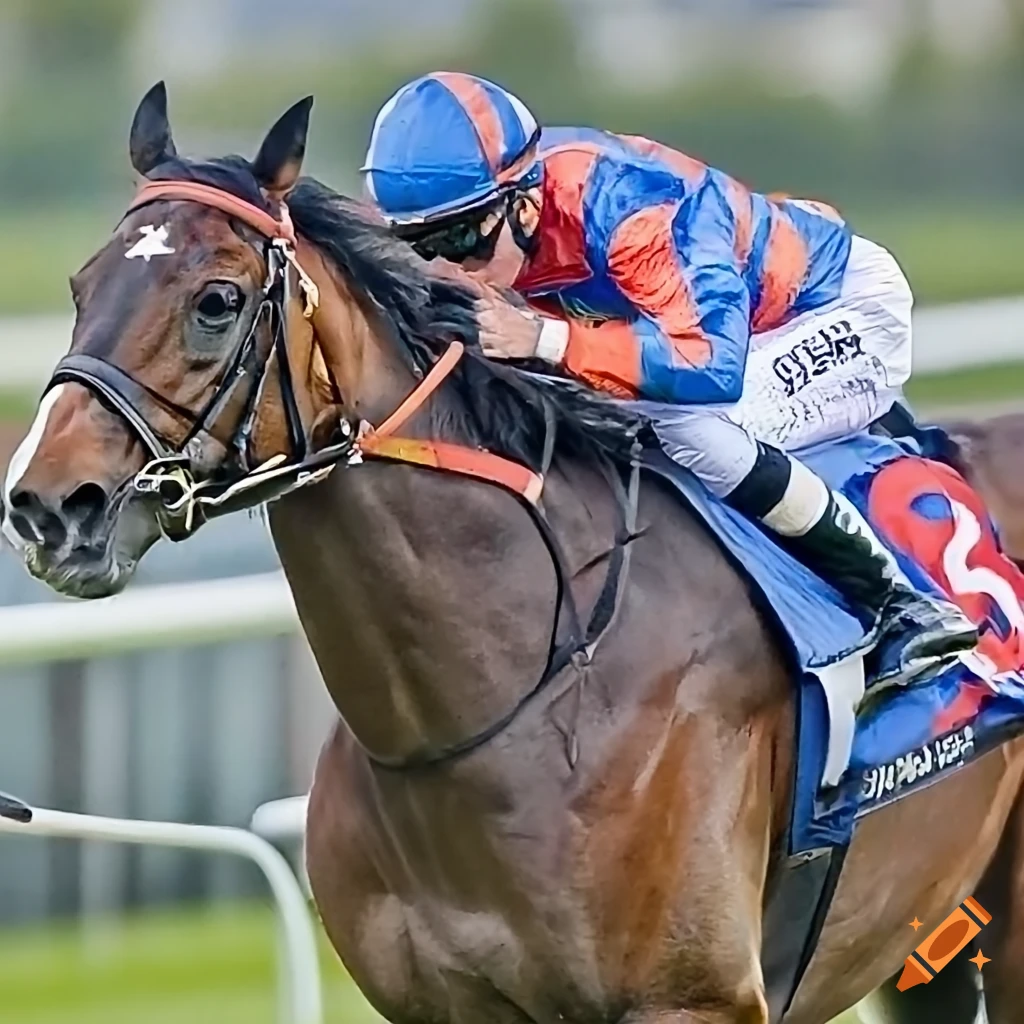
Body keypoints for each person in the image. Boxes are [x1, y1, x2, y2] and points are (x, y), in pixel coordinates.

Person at [360, 71, 977, 678]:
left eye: (463, 237)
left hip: (837, 309)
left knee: (688, 429)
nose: (452, 264)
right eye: (426, 245)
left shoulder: (631, 214)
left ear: (523, 202)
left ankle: (901, 601)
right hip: (747, 321)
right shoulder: (516, 210)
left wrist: (547, 338)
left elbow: (710, 365)